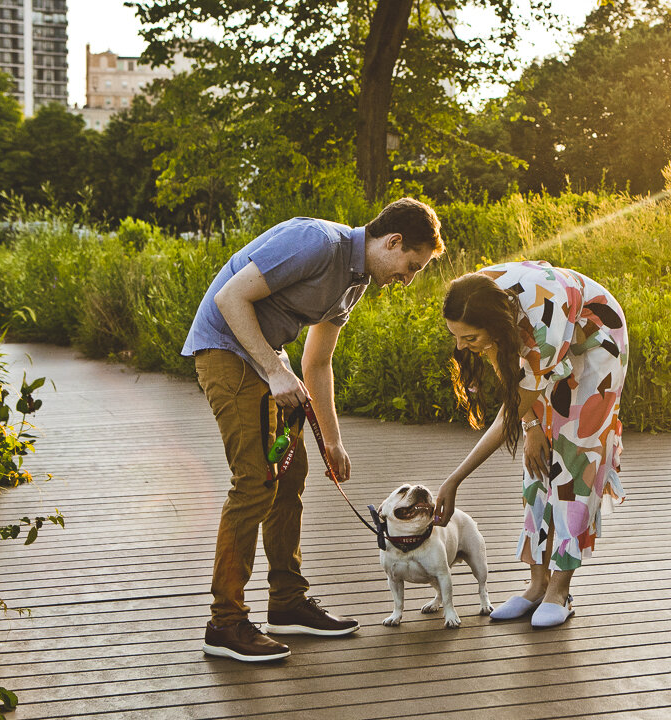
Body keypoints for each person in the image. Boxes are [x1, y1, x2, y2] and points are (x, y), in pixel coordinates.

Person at [183, 198, 443, 662]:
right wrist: (273, 370)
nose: (406, 279)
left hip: (267, 361)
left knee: (291, 477)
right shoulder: (317, 242)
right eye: (410, 266)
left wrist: (333, 439)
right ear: (393, 241)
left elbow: (318, 362)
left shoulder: (355, 282)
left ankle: (286, 603)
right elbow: (229, 298)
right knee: (254, 483)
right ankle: (225, 623)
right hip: (226, 351)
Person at [434, 260, 628, 628]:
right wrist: (533, 425)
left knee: (575, 457)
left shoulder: (542, 333)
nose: (460, 346)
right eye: (455, 336)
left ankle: (560, 590)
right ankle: (536, 586)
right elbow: (502, 361)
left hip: (597, 340)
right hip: (545, 336)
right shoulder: (476, 295)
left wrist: (454, 479)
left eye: (468, 338)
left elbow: (505, 417)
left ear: (494, 325)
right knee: (538, 460)